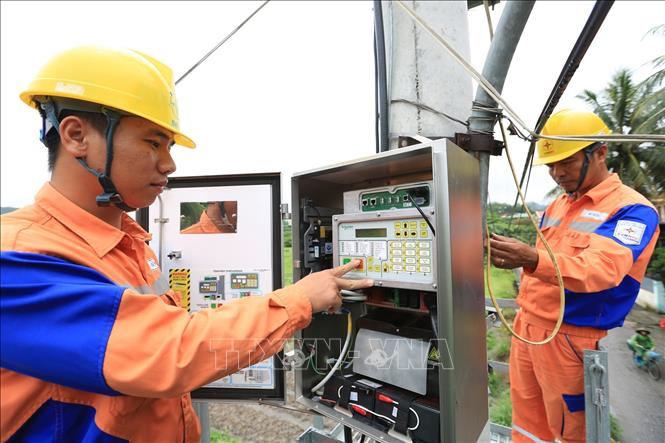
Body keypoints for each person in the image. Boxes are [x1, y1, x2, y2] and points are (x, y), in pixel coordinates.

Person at [0, 46, 373, 442]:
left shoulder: (130, 244)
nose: (169, 164)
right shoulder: (18, 255)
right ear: (76, 136)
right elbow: (165, 351)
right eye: (153, 142)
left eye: (169, 147)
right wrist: (298, 300)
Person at [489, 109, 660, 443]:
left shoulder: (632, 210)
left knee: (572, 431)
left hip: (569, 335)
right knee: (527, 420)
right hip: (526, 325)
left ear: (600, 153)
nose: (557, 173)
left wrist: (531, 258)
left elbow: (602, 269)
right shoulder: (558, 205)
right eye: (551, 165)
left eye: (566, 162)